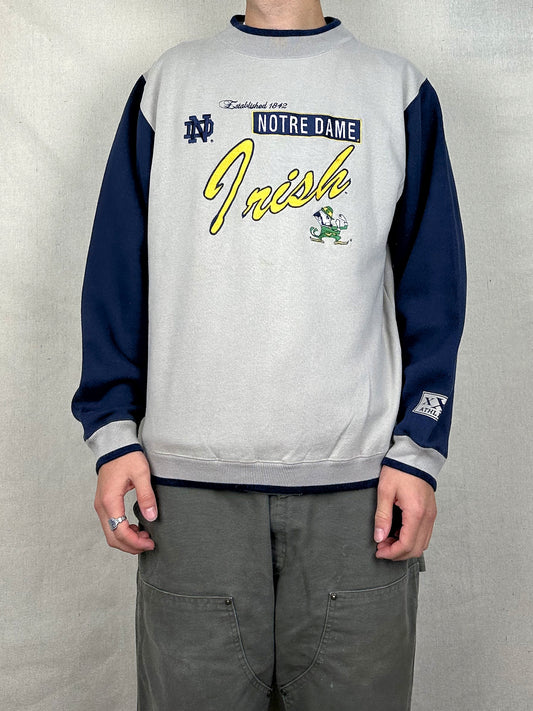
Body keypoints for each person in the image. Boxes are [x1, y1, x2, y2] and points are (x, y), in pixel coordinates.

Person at [72, 0, 466, 708]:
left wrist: (419, 449)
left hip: (360, 492)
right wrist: (111, 431)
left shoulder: (397, 89)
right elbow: (116, 268)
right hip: (187, 489)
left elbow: (433, 284)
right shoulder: (169, 84)